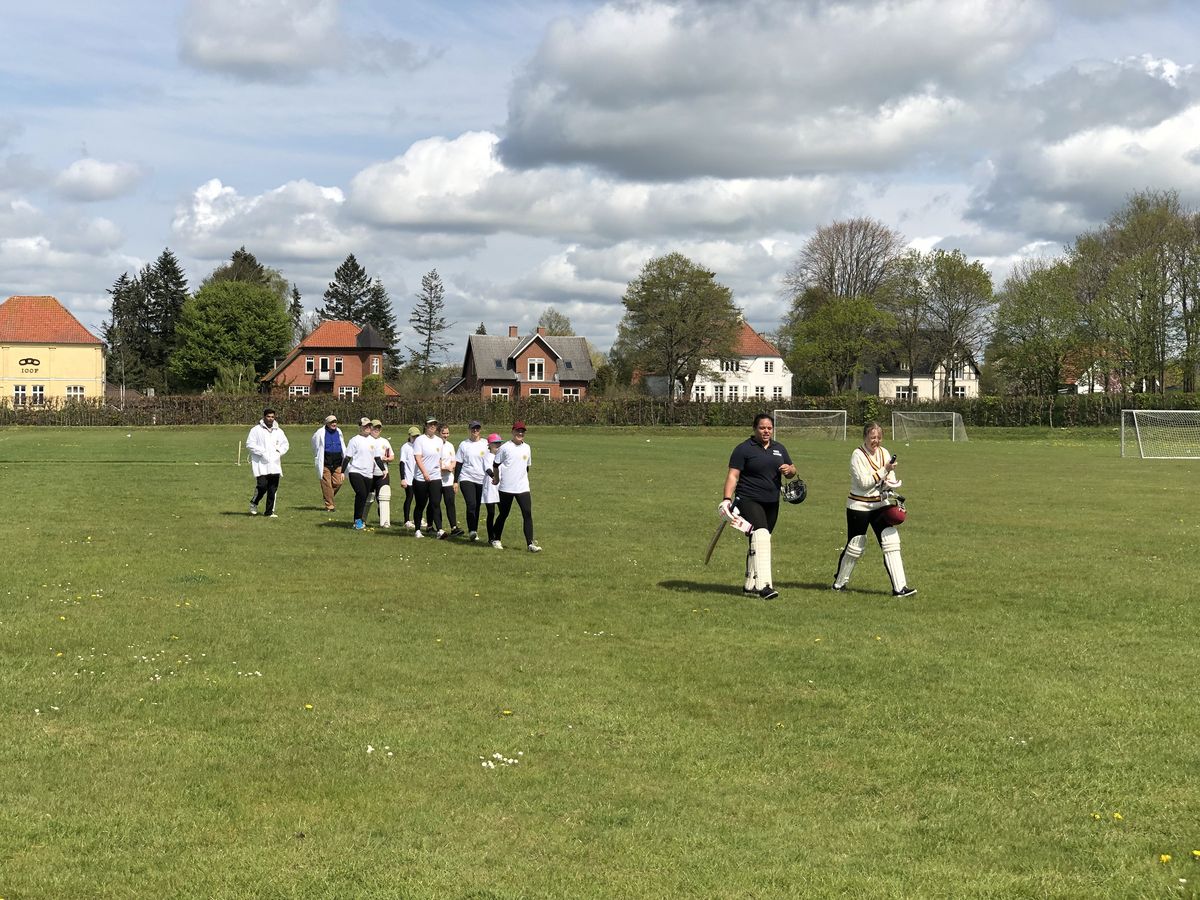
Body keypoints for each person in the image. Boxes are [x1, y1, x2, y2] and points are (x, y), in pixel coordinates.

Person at [832, 421, 917, 597]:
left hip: (881, 504)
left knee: (891, 541)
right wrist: (884, 470)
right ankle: (839, 583)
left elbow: (890, 476)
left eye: (878, 437)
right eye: (872, 437)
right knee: (855, 545)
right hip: (859, 505)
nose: (876, 441)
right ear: (865, 437)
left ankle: (900, 588)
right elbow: (864, 484)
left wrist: (891, 484)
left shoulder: (884, 452)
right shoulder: (857, 455)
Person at [490, 420, 540, 552]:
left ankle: (530, 543)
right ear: (513, 431)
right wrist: (496, 478)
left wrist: (522, 478)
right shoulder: (505, 447)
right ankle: (496, 539)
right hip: (506, 487)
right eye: (518, 431)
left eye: (522, 431)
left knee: (527, 513)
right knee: (504, 514)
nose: (520, 433)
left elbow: (526, 467)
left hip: (523, 487)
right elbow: (495, 465)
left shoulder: (527, 448)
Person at [246, 407, 290, 518]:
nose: (270, 419)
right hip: (261, 463)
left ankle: (269, 512)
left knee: (272, 489)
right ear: (264, 417)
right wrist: (262, 452)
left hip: (274, 464)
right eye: (268, 417)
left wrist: (279, 452)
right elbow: (250, 444)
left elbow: (285, 444)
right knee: (262, 486)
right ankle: (254, 502)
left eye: (272, 417)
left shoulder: (279, 431)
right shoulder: (256, 430)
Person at [342, 417, 380, 530]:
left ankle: (361, 519)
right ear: (360, 427)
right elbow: (347, 457)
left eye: (369, 426)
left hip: (368, 474)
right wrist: (342, 472)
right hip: (355, 471)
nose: (367, 428)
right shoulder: (355, 440)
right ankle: (357, 521)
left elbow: (377, 458)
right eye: (365, 426)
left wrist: (383, 470)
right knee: (361, 493)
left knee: (364, 496)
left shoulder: (373, 441)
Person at [411, 416, 445, 539]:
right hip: (421, 478)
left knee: (435, 503)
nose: (433, 427)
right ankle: (417, 530)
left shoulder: (439, 441)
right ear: (425, 426)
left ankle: (439, 530)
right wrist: (424, 473)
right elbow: (418, 458)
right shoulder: (420, 440)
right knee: (420, 504)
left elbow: (439, 458)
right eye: (430, 424)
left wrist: (440, 471)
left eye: (435, 424)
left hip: (435, 477)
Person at [456, 420, 489, 541]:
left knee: (477, 506)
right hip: (466, 477)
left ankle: (474, 530)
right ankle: (472, 530)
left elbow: (492, 457)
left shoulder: (485, 443)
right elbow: (459, 463)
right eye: (473, 428)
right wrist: (455, 481)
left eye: (477, 428)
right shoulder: (464, 445)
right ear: (469, 430)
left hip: (481, 479)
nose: (475, 431)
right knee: (471, 504)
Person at [311, 415, 345, 511]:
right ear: (327, 423)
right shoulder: (320, 432)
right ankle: (330, 506)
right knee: (326, 483)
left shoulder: (339, 431)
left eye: (335, 422)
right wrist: (317, 455)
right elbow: (314, 443)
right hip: (325, 461)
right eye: (331, 422)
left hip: (337, 461)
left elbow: (342, 444)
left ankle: (328, 495)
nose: (334, 424)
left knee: (338, 482)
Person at [438, 424, 464, 537]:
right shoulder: (435, 445)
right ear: (439, 433)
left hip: (448, 479)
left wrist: (451, 467)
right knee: (435, 503)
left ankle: (454, 527)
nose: (446, 435)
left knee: (450, 503)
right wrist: (444, 468)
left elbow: (454, 460)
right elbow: (434, 461)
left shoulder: (450, 446)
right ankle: (432, 526)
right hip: (437, 478)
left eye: (447, 433)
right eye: (444, 433)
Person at [369, 420, 395, 528]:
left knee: (383, 497)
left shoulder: (385, 441)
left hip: (383, 474)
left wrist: (387, 459)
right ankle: (361, 520)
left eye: (379, 428)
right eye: (375, 428)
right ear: (370, 428)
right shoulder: (366, 440)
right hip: (369, 473)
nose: (377, 430)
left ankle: (384, 521)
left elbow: (392, 457)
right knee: (368, 497)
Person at [483, 432, 502, 545]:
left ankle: (496, 532)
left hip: (501, 487)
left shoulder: (501, 456)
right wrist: (494, 477)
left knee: (503, 511)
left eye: (499, 443)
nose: (497, 445)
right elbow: (488, 469)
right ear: (489, 445)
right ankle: (491, 537)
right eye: (495, 443)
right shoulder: (487, 456)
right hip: (490, 486)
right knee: (491, 513)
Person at [399, 425, 420, 529]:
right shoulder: (405, 447)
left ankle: (418, 519)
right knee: (409, 497)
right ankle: (406, 520)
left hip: (419, 478)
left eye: (417, 436)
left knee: (420, 499)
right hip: (409, 478)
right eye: (414, 436)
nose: (415, 438)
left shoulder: (420, 446)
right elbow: (402, 463)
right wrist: (402, 478)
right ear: (409, 436)